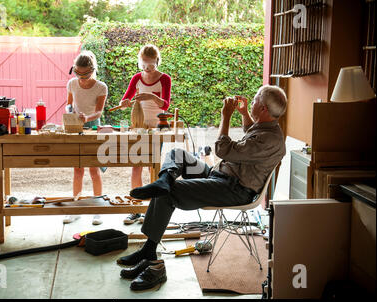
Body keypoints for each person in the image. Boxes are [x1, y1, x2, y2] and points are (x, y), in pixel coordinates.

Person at [117, 85, 287, 273]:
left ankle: (149, 251)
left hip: (233, 189)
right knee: (177, 154)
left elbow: (223, 150)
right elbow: (251, 132)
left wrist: (226, 116)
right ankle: (164, 179)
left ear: (263, 108)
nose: (251, 102)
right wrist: (245, 113)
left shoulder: (269, 141)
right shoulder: (267, 130)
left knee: (169, 193)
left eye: (254, 101)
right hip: (220, 176)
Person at [118, 44, 172, 225]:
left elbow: (165, 105)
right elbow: (126, 98)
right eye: (144, 65)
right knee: (136, 166)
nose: (147, 69)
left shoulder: (164, 79)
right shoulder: (136, 78)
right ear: (140, 61)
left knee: (153, 167)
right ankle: (136, 207)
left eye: (151, 65)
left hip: (156, 126)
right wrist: (124, 102)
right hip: (139, 125)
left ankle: (153, 209)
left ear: (157, 61)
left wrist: (150, 97)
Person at [63, 51, 108, 225]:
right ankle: (76, 208)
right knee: (77, 169)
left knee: (94, 170)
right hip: (76, 127)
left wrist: (86, 118)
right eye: (78, 74)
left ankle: (97, 210)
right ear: (74, 70)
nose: (81, 78)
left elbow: (99, 111)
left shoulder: (101, 87)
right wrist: (70, 113)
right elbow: (69, 103)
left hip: (93, 127)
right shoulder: (72, 84)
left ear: (92, 70)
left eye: (85, 74)